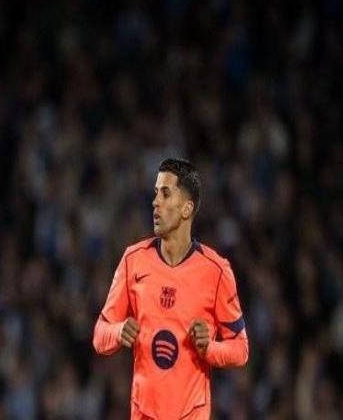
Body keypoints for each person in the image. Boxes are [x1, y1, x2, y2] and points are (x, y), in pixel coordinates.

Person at [93, 158, 249, 419]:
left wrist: (209, 348)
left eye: (165, 194)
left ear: (187, 208)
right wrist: (119, 331)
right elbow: (100, 335)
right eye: (155, 193)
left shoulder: (216, 271)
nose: (155, 202)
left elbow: (241, 349)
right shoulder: (133, 260)